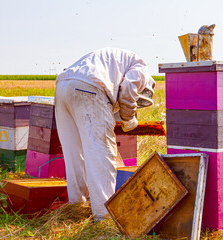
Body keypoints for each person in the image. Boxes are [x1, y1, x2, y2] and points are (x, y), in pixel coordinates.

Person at [55, 47, 155, 221]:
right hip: (89, 88)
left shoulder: (115, 61)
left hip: (62, 87)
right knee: (102, 156)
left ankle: (77, 209)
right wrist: (129, 118)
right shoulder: (141, 68)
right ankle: (104, 218)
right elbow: (128, 88)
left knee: (74, 156)